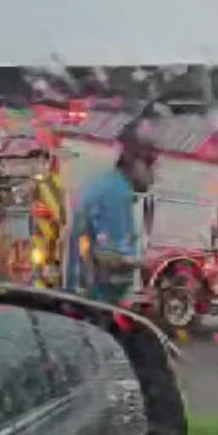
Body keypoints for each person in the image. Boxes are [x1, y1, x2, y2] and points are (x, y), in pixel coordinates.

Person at [66, 129, 156, 306]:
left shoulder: (107, 183)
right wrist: (146, 264)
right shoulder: (117, 192)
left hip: (81, 289)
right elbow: (110, 256)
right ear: (132, 162)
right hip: (100, 298)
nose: (152, 176)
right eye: (149, 165)